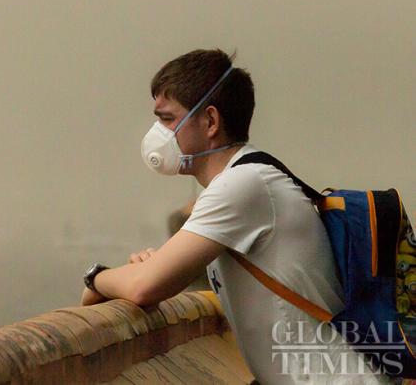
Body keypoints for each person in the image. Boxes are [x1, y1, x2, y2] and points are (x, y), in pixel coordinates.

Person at [79, 48, 393, 384]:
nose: (157, 133)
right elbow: (159, 278)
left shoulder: (243, 185)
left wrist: (97, 277)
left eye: (167, 118)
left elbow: (145, 288)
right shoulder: (244, 180)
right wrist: (150, 269)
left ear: (211, 121)